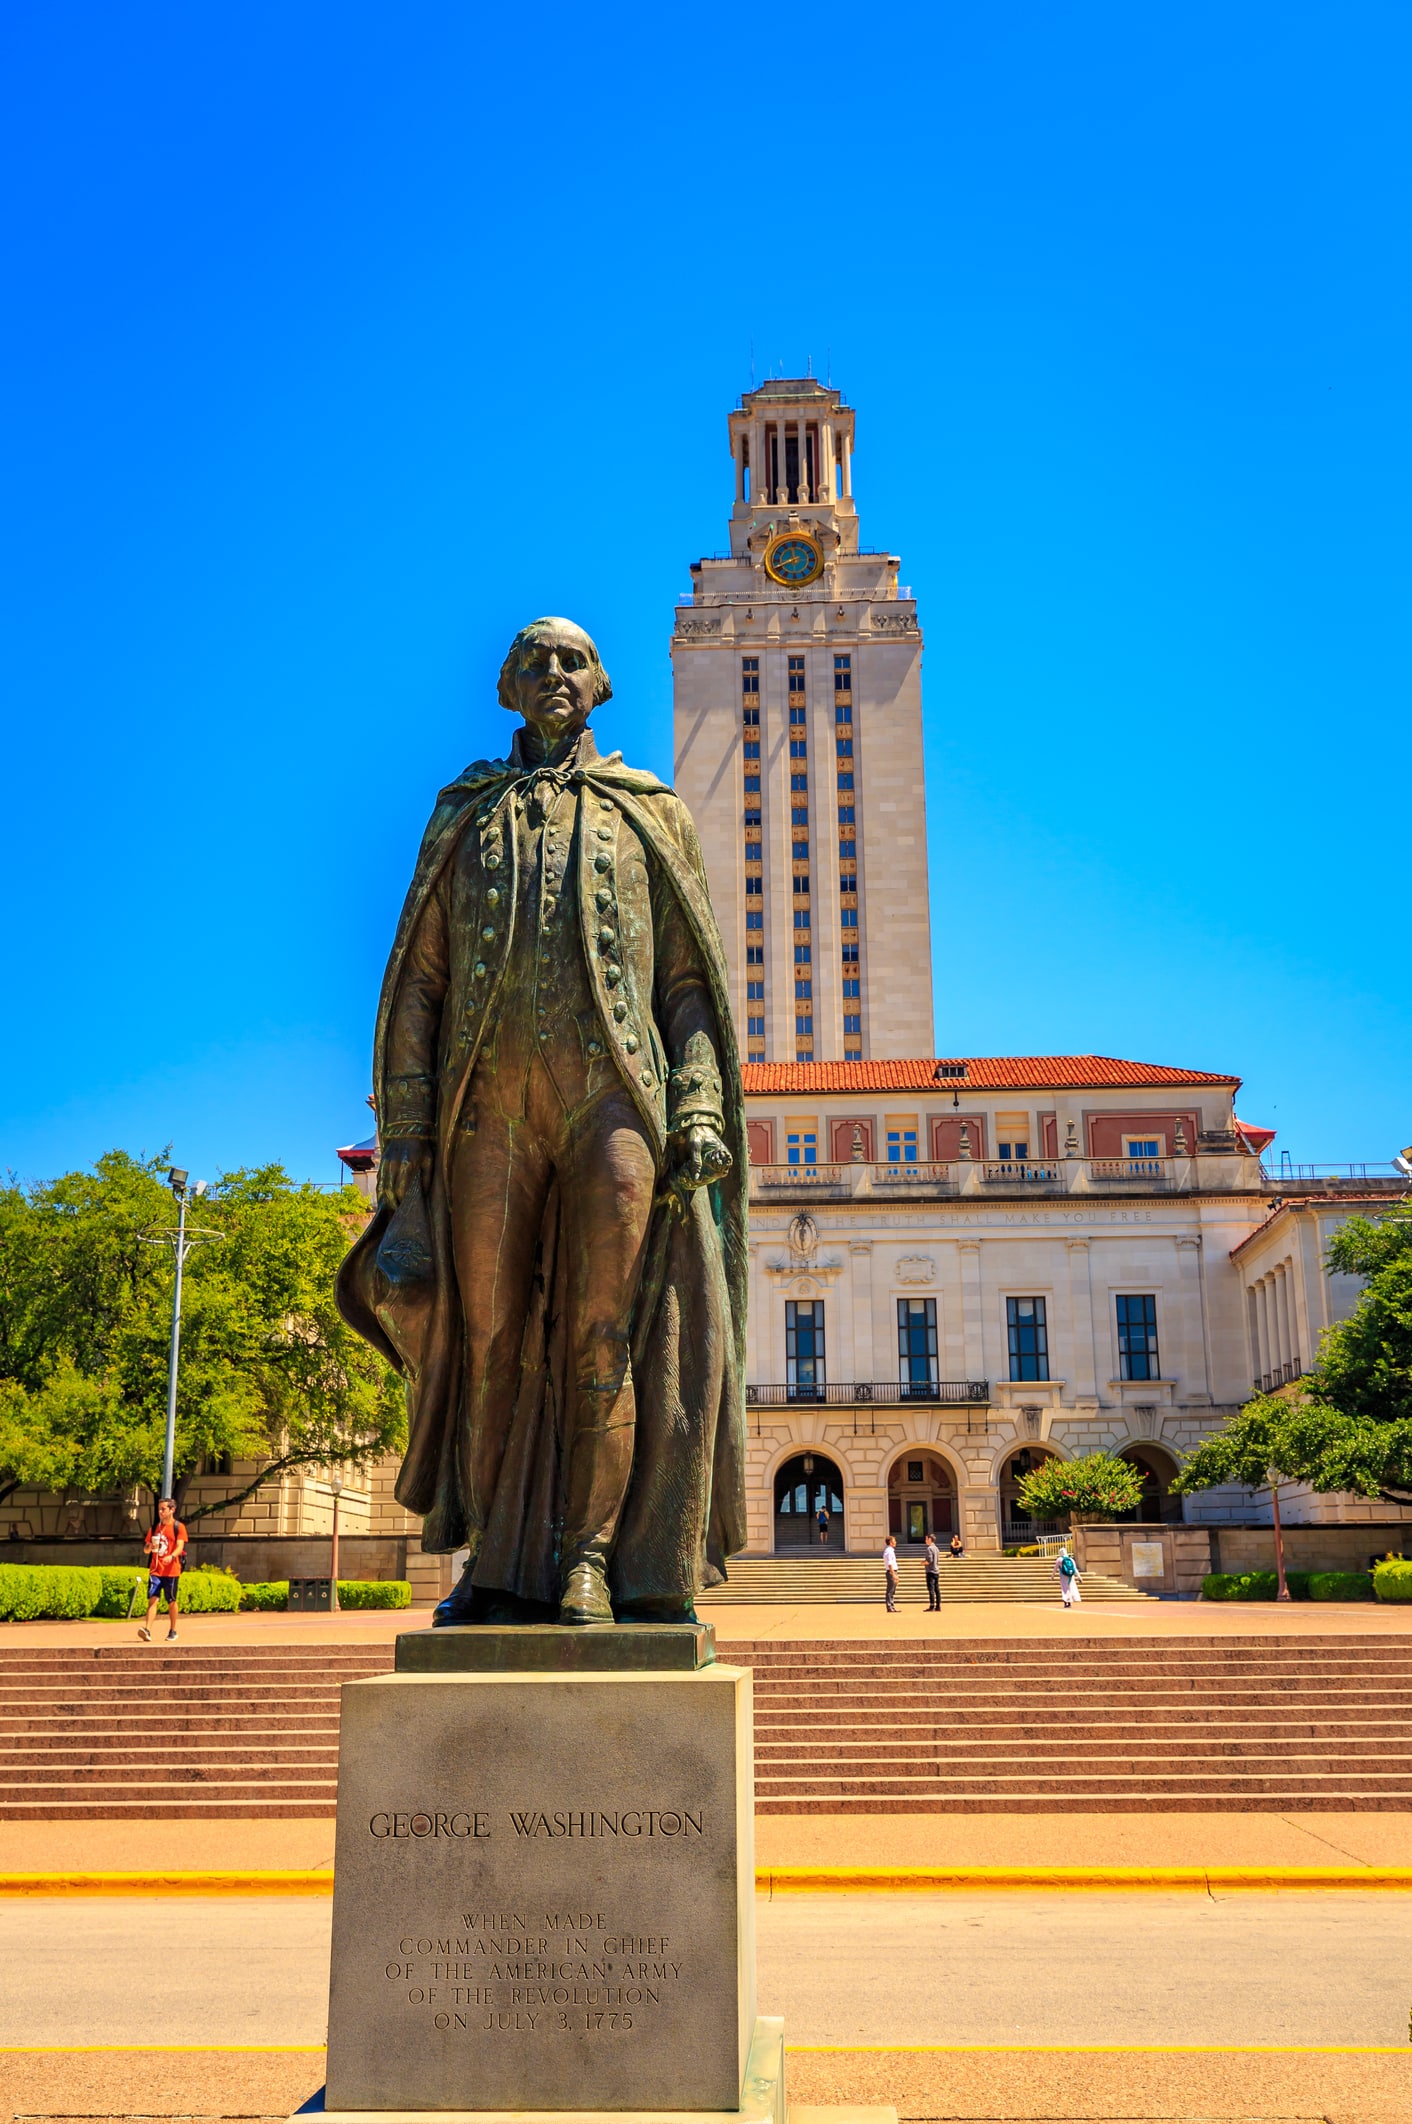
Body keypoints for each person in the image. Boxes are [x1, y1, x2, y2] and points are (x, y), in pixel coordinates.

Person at [336, 618, 747, 1629]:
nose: (555, 674)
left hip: (615, 1099)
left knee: (607, 1337)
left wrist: (696, 1100)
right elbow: (418, 983)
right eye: (536, 660)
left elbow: (690, 984)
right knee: (486, 1341)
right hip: (487, 1110)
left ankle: (591, 1562)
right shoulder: (464, 813)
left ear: (600, 685)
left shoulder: (648, 811)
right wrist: (406, 1136)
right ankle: (493, 1560)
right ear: (507, 685)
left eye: (573, 660)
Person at [140, 1498, 187, 1642]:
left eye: (163, 1509)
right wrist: (149, 1547)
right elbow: (146, 1549)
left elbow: (180, 1546)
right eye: (159, 1509)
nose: (160, 1512)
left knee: (171, 1600)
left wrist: (171, 1556)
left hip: (172, 1570)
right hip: (156, 1569)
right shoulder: (154, 1528)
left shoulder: (178, 1527)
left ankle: (173, 1630)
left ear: (172, 1510)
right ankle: (147, 1629)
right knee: (153, 1599)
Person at [1055, 1543, 1082, 1608]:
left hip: (1063, 1576)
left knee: (1064, 1589)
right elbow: (1075, 1569)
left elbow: (1055, 1568)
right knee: (1070, 1588)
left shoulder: (1059, 1559)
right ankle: (1070, 1602)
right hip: (1070, 1576)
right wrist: (1079, 1577)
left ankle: (1066, 1602)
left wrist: (1052, 1576)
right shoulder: (1071, 1559)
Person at [923, 1530, 942, 1610]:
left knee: (931, 1589)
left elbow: (929, 1560)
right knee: (937, 1589)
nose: (925, 1541)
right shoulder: (936, 1548)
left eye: (926, 1539)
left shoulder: (929, 1549)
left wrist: (923, 1563)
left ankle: (932, 1606)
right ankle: (938, 1605)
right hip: (936, 1570)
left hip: (930, 1571)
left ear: (930, 1539)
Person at [883, 1534, 898, 1612]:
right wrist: (894, 1574)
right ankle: (889, 1606)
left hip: (892, 1571)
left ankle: (892, 1606)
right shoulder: (889, 1551)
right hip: (891, 1572)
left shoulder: (890, 1550)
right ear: (890, 1542)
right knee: (890, 1590)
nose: (895, 1542)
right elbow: (890, 1564)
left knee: (892, 1590)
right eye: (894, 1541)